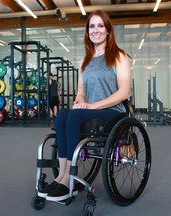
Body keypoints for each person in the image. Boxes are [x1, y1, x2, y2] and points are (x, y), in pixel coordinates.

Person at [38, 10, 131, 202]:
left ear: (107, 30)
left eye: (100, 26)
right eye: (91, 26)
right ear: (87, 31)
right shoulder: (84, 61)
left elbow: (124, 93)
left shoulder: (118, 56)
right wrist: (80, 100)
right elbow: (80, 90)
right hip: (91, 109)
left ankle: (69, 178)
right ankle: (62, 175)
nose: (95, 30)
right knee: (63, 114)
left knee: (73, 116)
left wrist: (92, 106)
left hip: (113, 112)